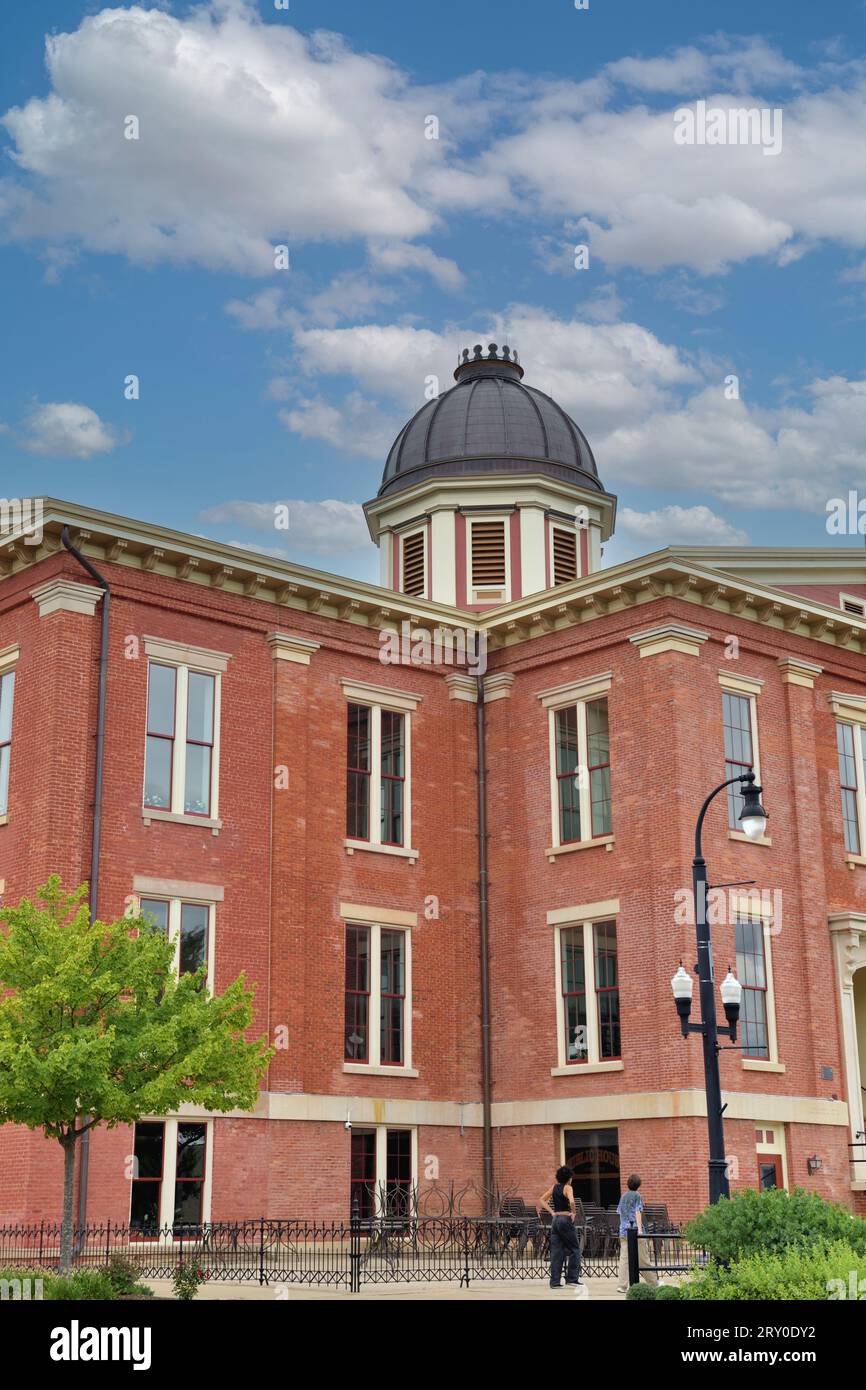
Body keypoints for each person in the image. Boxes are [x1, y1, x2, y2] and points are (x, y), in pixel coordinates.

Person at [538, 1165, 583, 1291]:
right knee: (575, 1249)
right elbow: (572, 1202)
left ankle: (555, 1282)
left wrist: (552, 1212)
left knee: (557, 1252)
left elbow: (541, 1200)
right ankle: (572, 1279)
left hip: (555, 1220)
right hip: (565, 1219)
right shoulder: (568, 1187)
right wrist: (573, 1213)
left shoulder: (554, 1187)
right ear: (569, 1178)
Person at [616, 1173, 659, 1293]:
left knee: (624, 1259)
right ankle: (653, 1283)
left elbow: (620, 1213)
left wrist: (623, 1227)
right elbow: (638, 1212)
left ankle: (622, 1285)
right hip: (635, 1231)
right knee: (643, 1258)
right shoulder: (637, 1196)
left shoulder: (623, 1196)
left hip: (624, 1231)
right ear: (639, 1185)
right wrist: (639, 1229)